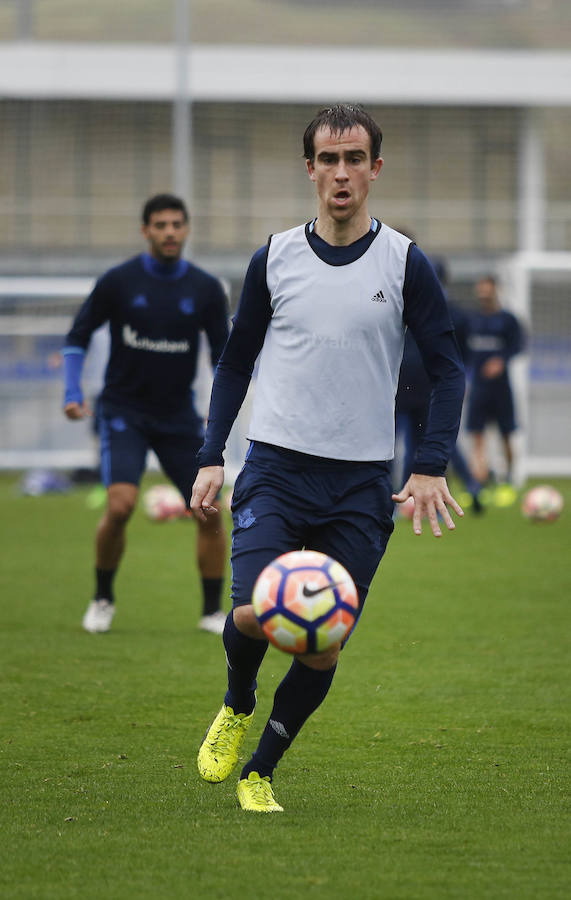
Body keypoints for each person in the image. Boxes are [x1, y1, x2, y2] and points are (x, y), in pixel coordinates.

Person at [190, 105, 465, 813]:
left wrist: (430, 463)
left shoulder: (403, 262)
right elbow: (233, 361)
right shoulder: (274, 257)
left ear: (374, 168)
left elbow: (447, 369)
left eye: (353, 159)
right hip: (277, 467)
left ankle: (261, 772)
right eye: (327, 159)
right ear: (309, 169)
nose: (340, 173)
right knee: (256, 613)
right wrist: (211, 454)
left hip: (359, 482)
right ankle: (237, 700)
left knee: (323, 641)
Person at [62, 193, 229, 635]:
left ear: (187, 229)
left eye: (177, 224)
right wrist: (71, 389)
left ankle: (212, 611)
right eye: (161, 225)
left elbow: (223, 358)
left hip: (177, 416)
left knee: (209, 511)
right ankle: (102, 599)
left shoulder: (206, 289)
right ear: (146, 231)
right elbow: (77, 336)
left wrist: (220, 408)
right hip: (124, 411)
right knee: (121, 505)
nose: (170, 232)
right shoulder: (119, 281)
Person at [395, 258, 484, 512]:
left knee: (429, 445)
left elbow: (463, 354)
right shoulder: (406, 305)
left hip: (429, 389)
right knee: (419, 445)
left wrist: (458, 382)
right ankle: (409, 498)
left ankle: (467, 488)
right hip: (409, 387)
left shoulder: (445, 311)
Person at [466, 275, 524, 485]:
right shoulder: (472, 320)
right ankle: (479, 481)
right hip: (479, 388)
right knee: (477, 435)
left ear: (495, 290)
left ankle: (509, 477)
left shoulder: (508, 319)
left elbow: (518, 346)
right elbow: (464, 352)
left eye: (487, 290)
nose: (484, 294)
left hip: (501, 388)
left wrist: (501, 360)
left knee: (506, 433)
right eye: (481, 290)